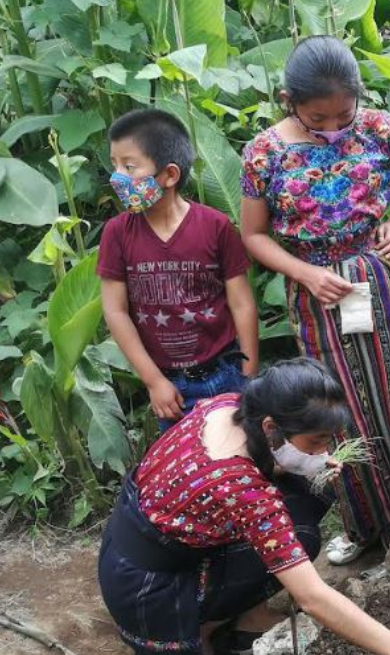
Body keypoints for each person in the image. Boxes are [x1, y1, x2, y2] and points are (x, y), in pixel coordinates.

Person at [98, 358, 390, 655]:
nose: (326, 450)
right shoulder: (240, 487)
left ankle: (228, 621)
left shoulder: (228, 407)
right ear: (271, 427)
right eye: (317, 440)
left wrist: (303, 459)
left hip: (162, 538)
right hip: (143, 582)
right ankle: (194, 637)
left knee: (299, 527)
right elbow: (312, 597)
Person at [240, 36, 390, 565]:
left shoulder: (377, 126)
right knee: (342, 412)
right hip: (316, 293)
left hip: (377, 277)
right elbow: (254, 236)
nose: (335, 128)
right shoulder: (263, 153)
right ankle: (366, 527)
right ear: (288, 100)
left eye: (344, 113)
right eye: (319, 117)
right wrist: (306, 273)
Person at [98, 109, 259, 432]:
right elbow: (115, 311)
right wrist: (153, 381)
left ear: (169, 175)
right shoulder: (117, 233)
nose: (117, 176)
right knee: (185, 476)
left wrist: (249, 374)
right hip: (169, 389)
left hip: (226, 373)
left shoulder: (215, 226)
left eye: (129, 167)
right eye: (114, 164)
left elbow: (241, 302)